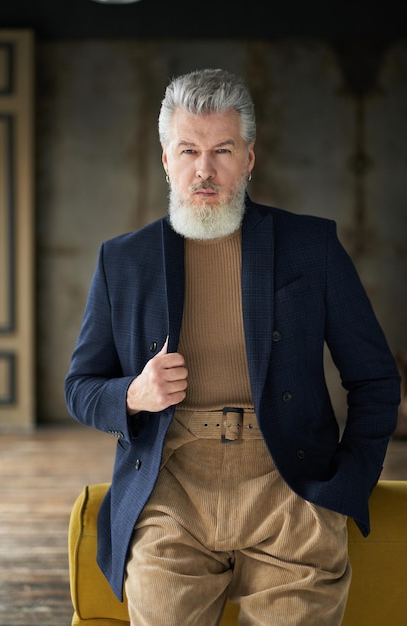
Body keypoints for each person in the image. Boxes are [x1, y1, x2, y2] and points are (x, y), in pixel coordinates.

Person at [64, 68, 401, 626]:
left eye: (222, 149)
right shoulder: (122, 260)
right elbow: (79, 387)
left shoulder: (311, 246)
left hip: (289, 486)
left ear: (249, 157)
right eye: (189, 150)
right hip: (171, 491)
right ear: (166, 159)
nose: (205, 168)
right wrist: (133, 394)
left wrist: (346, 485)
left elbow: (375, 378)